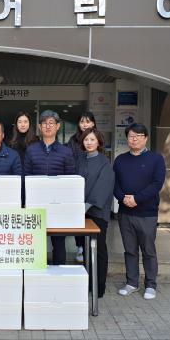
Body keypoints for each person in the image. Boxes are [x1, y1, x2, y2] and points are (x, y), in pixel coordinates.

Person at [113, 123, 166, 300]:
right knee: (130, 250)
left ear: (145, 138)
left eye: (138, 136)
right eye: (131, 136)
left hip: (147, 213)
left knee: (148, 250)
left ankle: (150, 284)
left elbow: (156, 184)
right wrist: (123, 198)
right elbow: (114, 184)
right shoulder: (120, 160)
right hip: (125, 213)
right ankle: (132, 283)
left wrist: (136, 199)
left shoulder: (156, 159)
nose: (134, 139)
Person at [24, 110, 76, 265]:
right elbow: (26, 178)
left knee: (59, 242)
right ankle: (36, 275)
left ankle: (59, 274)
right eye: (44, 123)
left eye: (51, 123)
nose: (48, 126)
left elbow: (70, 181)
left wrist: (67, 205)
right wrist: (25, 202)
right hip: (35, 204)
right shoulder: (31, 150)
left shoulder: (66, 152)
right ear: (40, 127)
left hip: (58, 205)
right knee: (36, 241)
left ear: (58, 126)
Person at [76, 128, 115, 298]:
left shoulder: (104, 162)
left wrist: (86, 205)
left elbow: (103, 187)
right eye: (86, 139)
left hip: (97, 212)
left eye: (92, 139)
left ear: (98, 142)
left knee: (98, 249)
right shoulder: (80, 159)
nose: (89, 142)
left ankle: (99, 286)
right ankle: (88, 283)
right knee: (86, 249)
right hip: (81, 211)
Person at [67, 111, 97, 262]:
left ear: (93, 123)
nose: (85, 124)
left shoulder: (97, 138)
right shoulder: (73, 140)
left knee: (92, 218)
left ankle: (91, 248)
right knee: (78, 217)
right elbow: (70, 160)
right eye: (82, 121)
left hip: (93, 182)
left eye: (88, 121)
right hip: (77, 182)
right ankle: (79, 246)